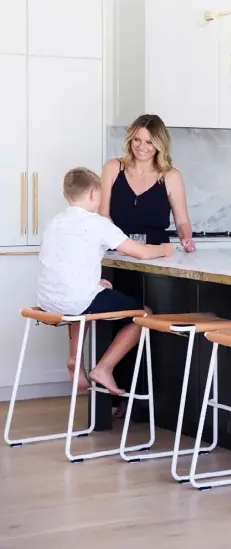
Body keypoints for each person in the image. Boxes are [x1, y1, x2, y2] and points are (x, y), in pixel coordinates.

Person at [37, 167, 173, 396]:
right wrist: (165, 248)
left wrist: (94, 282)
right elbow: (140, 252)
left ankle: (74, 358)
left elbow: (65, 262)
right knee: (146, 313)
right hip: (76, 302)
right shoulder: (98, 223)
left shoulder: (55, 222)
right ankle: (103, 368)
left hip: (47, 302)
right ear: (92, 193)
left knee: (85, 301)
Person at [99, 113, 195, 251]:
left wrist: (186, 239)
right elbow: (103, 215)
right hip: (117, 253)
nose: (141, 147)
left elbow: (182, 222)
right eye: (137, 139)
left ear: (159, 144)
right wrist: (123, 246)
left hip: (157, 256)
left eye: (149, 142)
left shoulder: (171, 176)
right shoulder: (112, 168)